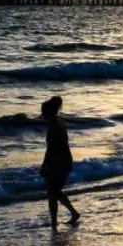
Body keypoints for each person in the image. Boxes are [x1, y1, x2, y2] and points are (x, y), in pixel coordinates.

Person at [40, 96, 81, 226]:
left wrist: (44, 165)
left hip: (59, 162)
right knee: (54, 191)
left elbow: (51, 149)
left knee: (52, 192)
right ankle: (71, 214)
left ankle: (54, 222)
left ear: (49, 112)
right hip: (65, 160)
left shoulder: (54, 126)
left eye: (44, 112)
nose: (42, 115)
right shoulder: (59, 123)